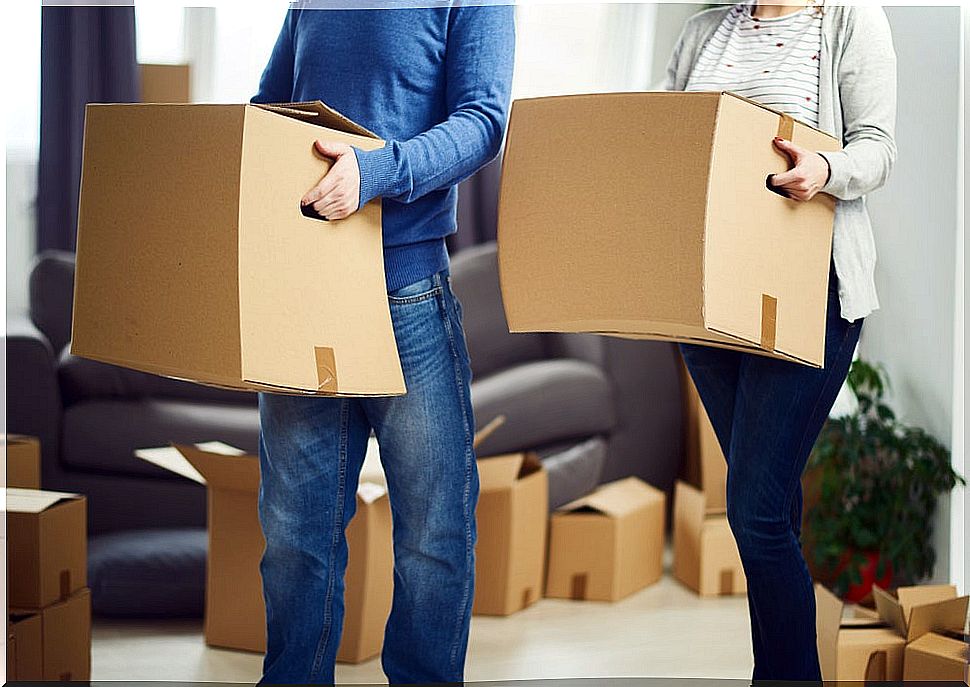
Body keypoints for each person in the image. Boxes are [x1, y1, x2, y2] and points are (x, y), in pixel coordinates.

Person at [250, 5, 514, 684]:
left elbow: (484, 120)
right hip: (302, 294)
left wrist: (376, 171)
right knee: (292, 537)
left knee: (434, 537)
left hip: (407, 294)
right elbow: (268, 109)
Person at [664, 1, 896, 680]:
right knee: (773, 504)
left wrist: (824, 171)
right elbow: (665, 139)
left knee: (753, 506)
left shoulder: (852, 21)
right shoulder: (706, 30)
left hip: (808, 293)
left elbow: (879, 147)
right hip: (708, 304)